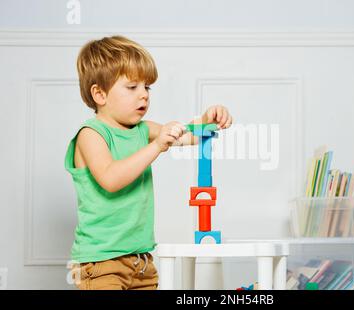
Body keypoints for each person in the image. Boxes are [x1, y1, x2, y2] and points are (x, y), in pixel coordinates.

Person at [64, 35, 232, 290]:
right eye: (132, 87)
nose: (143, 95)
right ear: (99, 94)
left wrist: (208, 118)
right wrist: (156, 146)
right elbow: (110, 179)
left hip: (141, 261)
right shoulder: (91, 134)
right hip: (100, 263)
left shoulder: (142, 130)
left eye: (147, 87)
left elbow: (189, 136)